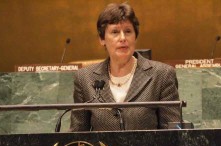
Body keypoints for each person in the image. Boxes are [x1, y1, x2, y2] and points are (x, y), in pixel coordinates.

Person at [70, 2, 180, 131]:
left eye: (128, 31)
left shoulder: (162, 75)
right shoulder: (85, 78)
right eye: (115, 32)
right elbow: (77, 137)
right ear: (102, 39)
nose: (122, 38)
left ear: (135, 36)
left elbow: (173, 134)